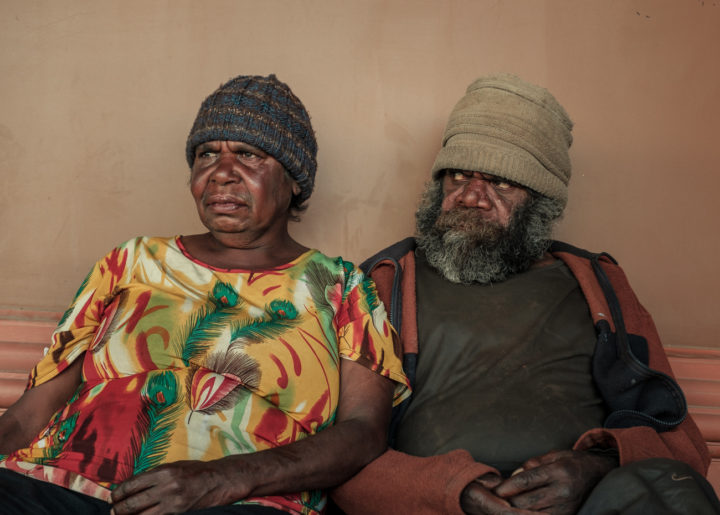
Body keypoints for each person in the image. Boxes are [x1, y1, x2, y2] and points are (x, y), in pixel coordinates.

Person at [0, 74, 409, 515]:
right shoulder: (131, 261)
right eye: (206, 154)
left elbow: (364, 432)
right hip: (56, 486)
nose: (221, 173)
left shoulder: (344, 290)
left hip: (240, 500)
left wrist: (224, 478)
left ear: (294, 180)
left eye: (249, 155)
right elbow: (31, 412)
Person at [331, 74, 719, 514]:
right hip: (433, 507)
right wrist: (451, 491)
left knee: (667, 490)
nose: (471, 197)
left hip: (593, 506)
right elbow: (338, 456)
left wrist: (598, 466)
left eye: (500, 182)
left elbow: (681, 446)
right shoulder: (382, 283)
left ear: (542, 202)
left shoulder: (599, 284)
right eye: (458, 175)